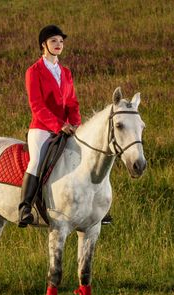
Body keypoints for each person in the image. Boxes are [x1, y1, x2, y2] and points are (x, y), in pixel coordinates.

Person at [19, 25, 112, 227]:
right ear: (44, 45)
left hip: (68, 127)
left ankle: (97, 209)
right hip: (42, 128)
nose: (58, 44)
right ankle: (25, 207)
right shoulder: (33, 71)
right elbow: (37, 106)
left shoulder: (66, 72)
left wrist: (76, 125)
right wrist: (58, 125)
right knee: (36, 161)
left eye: (61, 41)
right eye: (54, 41)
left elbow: (72, 103)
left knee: (88, 157)